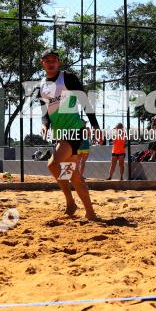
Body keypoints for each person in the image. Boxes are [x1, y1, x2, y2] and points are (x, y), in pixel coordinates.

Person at [38, 49, 101, 218]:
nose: (51, 62)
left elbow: (85, 101)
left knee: (52, 164)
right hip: (60, 133)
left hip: (74, 130)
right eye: (47, 60)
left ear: (58, 63)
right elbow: (45, 110)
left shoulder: (67, 78)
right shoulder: (42, 85)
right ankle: (90, 212)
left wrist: (95, 125)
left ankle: (70, 203)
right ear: (42, 63)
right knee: (73, 175)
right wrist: (45, 125)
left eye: (54, 60)